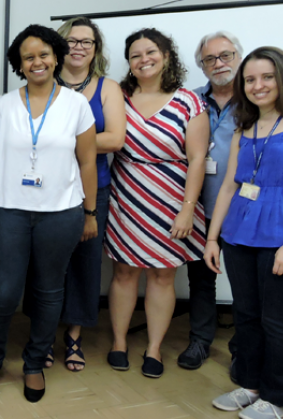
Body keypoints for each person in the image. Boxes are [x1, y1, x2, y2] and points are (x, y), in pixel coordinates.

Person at [0, 24, 98, 403]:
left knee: (48, 292)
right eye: (28, 57)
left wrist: (90, 213)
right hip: (10, 212)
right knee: (3, 293)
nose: (37, 61)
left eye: (44, 54)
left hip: (61, 213)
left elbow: (88, 161)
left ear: (57, 56)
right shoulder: (6, 105)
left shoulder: (76, 104)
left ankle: (32, 364)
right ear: (19, 64)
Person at [104, 28, 209, 379]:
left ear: (166, 55)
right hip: (126, 197)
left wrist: (188, 208)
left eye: (151, 52)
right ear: (129, 63)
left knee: (164, 276)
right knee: (124, 271)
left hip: (172, 199)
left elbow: (196, 160)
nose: (144, 59)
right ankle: (119, 342)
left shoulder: (189, 102)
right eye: (135, 55)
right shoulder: (117, 96)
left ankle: (153, 349)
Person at [206, 46, 283, 419]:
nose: (258, 86)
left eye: (267, 77)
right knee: (245, 315)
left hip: (282, 238)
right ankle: (250, 384)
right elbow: (230, 185)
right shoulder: (244, 126)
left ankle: (278, 398)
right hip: (239, 235)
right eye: (250, 80)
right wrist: (213, 238)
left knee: (277, 320)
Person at [33, 16, 125, 372]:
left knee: (86, 264)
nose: (79, 47)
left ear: (95, 49)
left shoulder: (108, 88)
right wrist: (85, 144)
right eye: (72, 40)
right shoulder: (42, 83)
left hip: (92, 191)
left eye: (87, 42)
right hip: (45, 190)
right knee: (45, 265)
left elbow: (115, 138)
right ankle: (42, 335)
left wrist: (61, 141)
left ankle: (73, 335)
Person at [177, 31, 243, 371]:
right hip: (200, 206)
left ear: (238, 56)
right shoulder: (191, 101)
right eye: (210, 59)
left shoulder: (256, 98)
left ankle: (242, 351)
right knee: (201, 278)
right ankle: (200, 341)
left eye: (225, 56)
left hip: (243, 209)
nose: (219, 64)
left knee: (247, 286)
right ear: (201, 66)